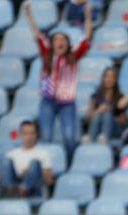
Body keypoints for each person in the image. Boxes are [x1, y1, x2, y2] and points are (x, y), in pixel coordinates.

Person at [23, 0, 92, 161]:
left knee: (69, 137)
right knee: (46, 137)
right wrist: (28, 14)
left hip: (67, 103)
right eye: (56, 39)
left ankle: (69, 164)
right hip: (47, 101)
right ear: (52, 43)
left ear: (67, 43)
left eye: (63, 40)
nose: (60, 42)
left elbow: (87, 35)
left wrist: (88, 15)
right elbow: (36, 33)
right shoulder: (46, 53)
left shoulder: (74, 56)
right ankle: (49, 166)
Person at [1, 120, 53, 197]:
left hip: (34, 188)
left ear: (36, 135)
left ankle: (21, 190)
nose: (29, 137)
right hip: (15, 184)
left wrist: (33, 173)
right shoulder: (11, 154)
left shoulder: (43, 154)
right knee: (6, 161)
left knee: (34, 163)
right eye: (25, 134)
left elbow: (49, 181)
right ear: (20, 135)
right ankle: (12, 191)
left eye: (32, 133)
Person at [83, 67, 126, 144]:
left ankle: (103, 137)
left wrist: (110, 113)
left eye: (112, 77)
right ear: (103, 78)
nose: (109, 79)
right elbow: (87, 118)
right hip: (96, 127)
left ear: (115, 79)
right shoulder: (95, 96)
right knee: (98, 114)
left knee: (107, 113)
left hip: (114, 129)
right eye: (106, 76)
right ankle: (91, 138)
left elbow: (123, 120)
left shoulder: (120, 96)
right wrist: (98, 111)